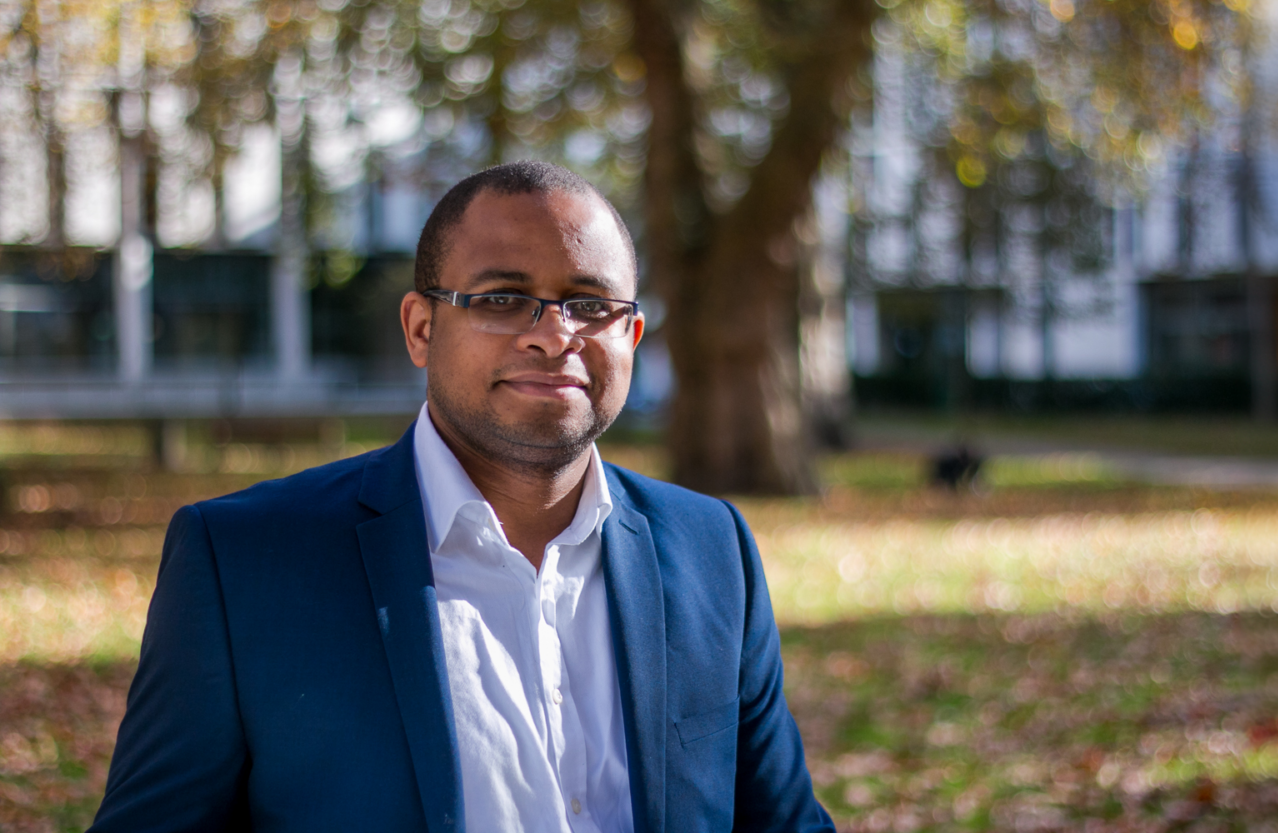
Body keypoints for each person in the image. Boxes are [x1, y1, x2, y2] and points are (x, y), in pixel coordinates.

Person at [90, 161, 834, 833]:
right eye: (505, 298)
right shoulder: (245, 561)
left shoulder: (711, 550)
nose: (553, 335)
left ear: (633, 334)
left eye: (589, 302)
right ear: (420, 327)